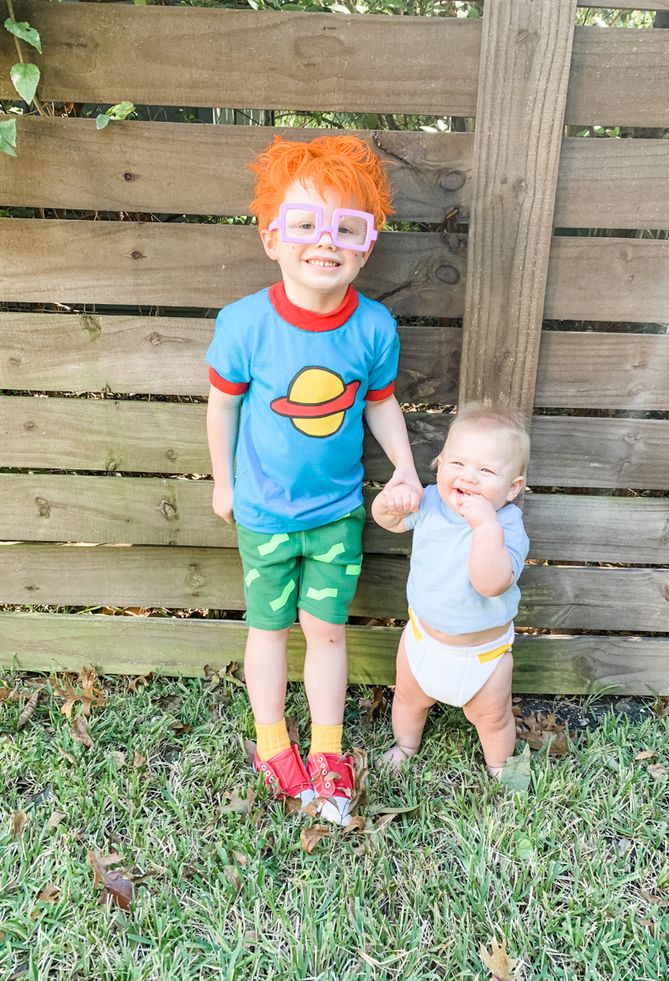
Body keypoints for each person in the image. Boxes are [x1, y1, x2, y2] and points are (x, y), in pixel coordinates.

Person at [206, 135, 421, 825]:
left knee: (326, 630)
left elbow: (380, 402)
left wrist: (407, 470)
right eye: (305, 224)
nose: (323, 243)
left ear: (367, 244)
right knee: (268, 629)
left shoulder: (374, 328)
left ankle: (327, 748)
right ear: (271, 236)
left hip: (336, 517)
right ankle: (274, 744)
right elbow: (224, 403)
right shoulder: (243, 324)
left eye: (345, 228)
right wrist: (222, 482)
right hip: (265, 516)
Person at [372, 402, 530, 778]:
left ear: (513, 488)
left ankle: (499, 767)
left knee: (492, 718)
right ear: (439, 465)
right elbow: (388, 523)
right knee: (409, 699)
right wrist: (388, 502)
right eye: (457, 464)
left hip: (482, 657)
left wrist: (485, 527)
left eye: (486, 470)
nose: (469, 477)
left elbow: (490, 584)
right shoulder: (428, 503)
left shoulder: (507, 526)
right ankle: (406, 746)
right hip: (422, 640)